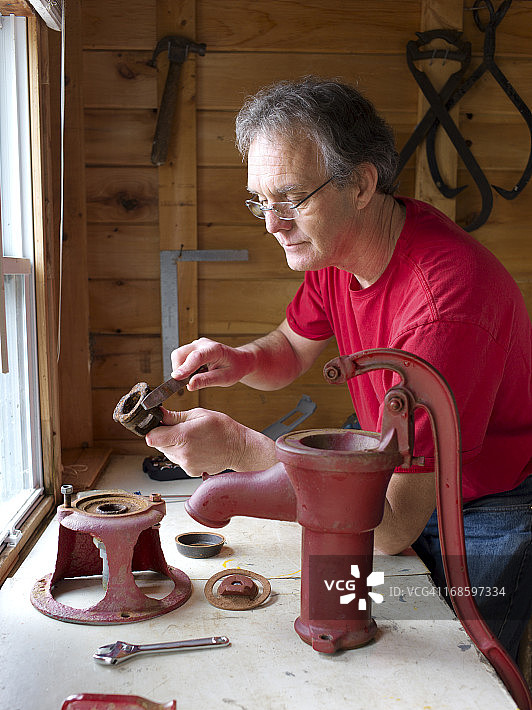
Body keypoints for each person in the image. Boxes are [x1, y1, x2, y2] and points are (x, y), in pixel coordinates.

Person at [146, 76, 532, 660]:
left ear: (361, 183)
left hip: (482, 509)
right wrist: (241, 360)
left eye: (290, 199)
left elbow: (395, 523)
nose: (272, 223)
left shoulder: (443, 308)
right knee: (350, 623)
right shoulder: (341, 248)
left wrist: (240, 451)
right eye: (260, 202)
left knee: (453, 668)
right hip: (388, 477)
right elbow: (289, 348)